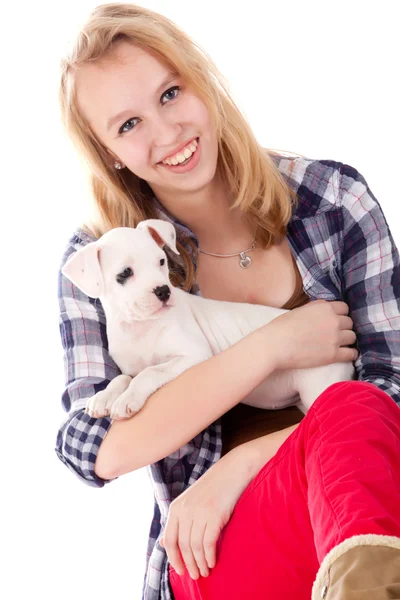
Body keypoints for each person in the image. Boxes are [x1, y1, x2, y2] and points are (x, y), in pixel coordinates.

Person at [55, 3, 400, 599]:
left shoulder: (333, 199)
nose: (167, 135)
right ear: (109, 150)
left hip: (356, 511)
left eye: (169, 94)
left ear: (202, 81)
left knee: (350, 407)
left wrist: (242, 465)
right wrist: (276, 344)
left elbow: (392, 392)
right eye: (128, 125)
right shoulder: (102, 260)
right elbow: (95, 447)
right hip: (215, 544)